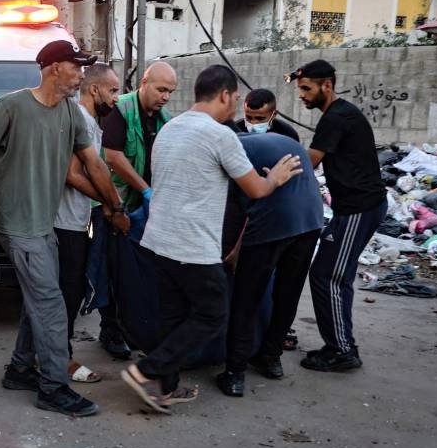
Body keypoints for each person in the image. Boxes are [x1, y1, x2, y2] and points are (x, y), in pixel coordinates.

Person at [0, 40, 128, 418]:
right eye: (75, 66)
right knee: (50, 305)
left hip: (43, 222)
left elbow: (94, 165)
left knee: (40, 299)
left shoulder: (69, 112)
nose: (81, 74)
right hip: (17, 223)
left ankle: (20, 369)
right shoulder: (13, 106)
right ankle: (53, 387)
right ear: (53, 68)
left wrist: (114, 205)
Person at [119, 64, 302, 414]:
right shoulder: (220, 135)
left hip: (158, 241)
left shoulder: (171, 127)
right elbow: (256, 189)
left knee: (173, 317)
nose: (235, 105)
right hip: (192, 246)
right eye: (235, 98)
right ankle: (145, 371)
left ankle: (165, 388)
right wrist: (276, 177)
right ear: (224, 95)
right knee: (213, 314)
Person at [295, 59, 386, 372]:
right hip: (358, 207)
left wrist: (273, 169)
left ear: (327, 86)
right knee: (337, 274)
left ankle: (341, 350)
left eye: (307, 89)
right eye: (300, 89)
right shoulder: (338, 113)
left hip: (359, 209)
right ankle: (342, 342)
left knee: (327, 275)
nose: (302, 95)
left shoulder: (336, 117)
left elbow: (311, 162)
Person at [216, 132, 323, 396]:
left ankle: (235, 373)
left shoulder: (229, 150)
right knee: (287, 294)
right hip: (311, 220)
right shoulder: (273, 141)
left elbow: (233, 212)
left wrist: (227, 255)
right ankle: (271, 359)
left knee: (246, 297)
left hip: (272, 222)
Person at [99, 61, 177, 358]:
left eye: (170, 91)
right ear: (144, 82)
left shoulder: (164, 118)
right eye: (161, 89)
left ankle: (134, 330)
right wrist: (144, 189)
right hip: (116, 206)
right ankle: (110, 330)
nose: (165, 96)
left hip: (146, 212)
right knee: (113, 272)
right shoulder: (121, 110)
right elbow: (113, 156)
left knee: (139, 275)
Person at [53, 62, 122, 384]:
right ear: (94, 90)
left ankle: (27, 362)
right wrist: (111, 203)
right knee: (66, 295)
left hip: (77, 219)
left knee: (66, 292)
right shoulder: (79, 118)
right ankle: (59, 359)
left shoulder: (93, 123)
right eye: (113, 90)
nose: (117, 98)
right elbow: (72, 175)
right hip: (63, 222)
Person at [234, 89, 300, 141]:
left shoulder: (287, 134)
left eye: (260, 118)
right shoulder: (234, 131)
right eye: (248, 117)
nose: (253, 123)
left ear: (273, 115)